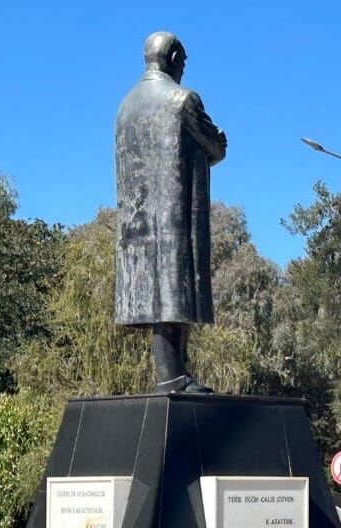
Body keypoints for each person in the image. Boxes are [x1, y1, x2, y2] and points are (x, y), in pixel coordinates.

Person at [115, 31, 227, 393]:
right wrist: (220, 141)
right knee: (175, 298)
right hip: (174, 219)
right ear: (175, 57)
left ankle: (172, 375)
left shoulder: (125, 107)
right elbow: (216, 146)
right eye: (184, 61)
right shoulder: (182, 100)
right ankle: (173, 377)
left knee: (156, 300)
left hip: (135, 225)